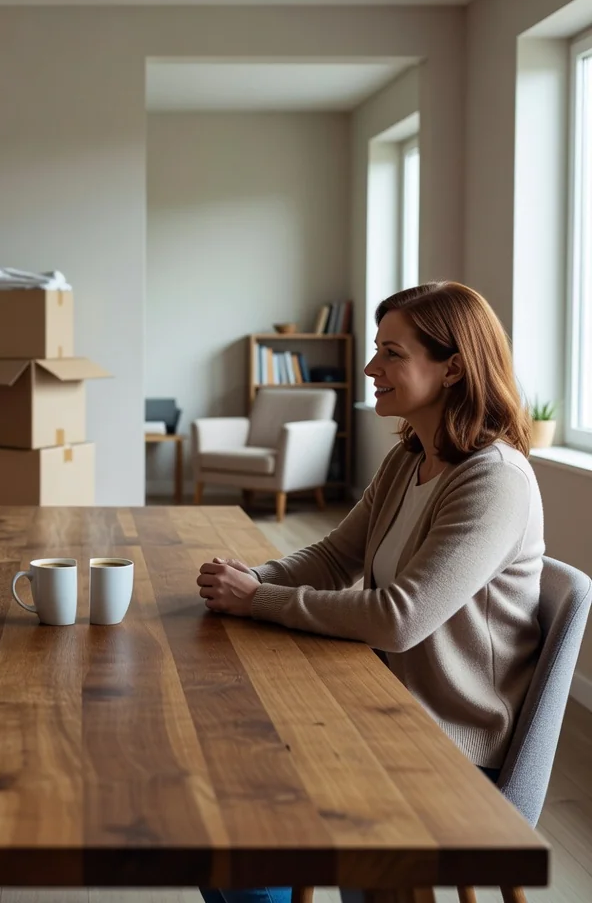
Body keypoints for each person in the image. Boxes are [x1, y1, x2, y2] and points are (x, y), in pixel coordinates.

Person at [196, 282, 544, 903]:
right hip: (381, 702)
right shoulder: (410, 459)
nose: (369, 368)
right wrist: (256, 578)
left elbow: (398, 620)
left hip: (448, 741)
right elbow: (336, 556)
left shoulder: (493, 480)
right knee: (215, 783)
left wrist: (256, 601)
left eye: (392, 353)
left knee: (241, 820)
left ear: (452, 368)